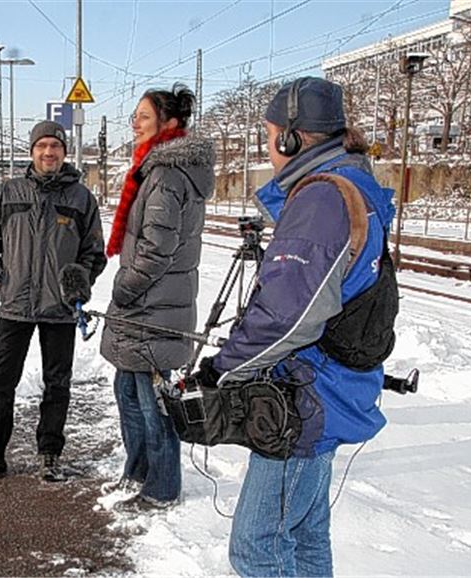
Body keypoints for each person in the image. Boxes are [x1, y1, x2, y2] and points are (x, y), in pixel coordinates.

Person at [189, 77, 398, 577]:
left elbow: (287, 315)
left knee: (257, 547)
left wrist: (223, 369)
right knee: (304, 536)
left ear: (289, 137)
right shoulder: (351, 183)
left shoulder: (322, 199)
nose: (268, 147)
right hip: (331, 388)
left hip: (307, 399)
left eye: (269, 135)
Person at [0, 120, 106, 483]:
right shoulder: (8, 193)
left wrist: (79, 283)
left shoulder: (80, 199)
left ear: (63, 152)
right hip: (14, 307)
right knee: (0, 383)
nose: (49, 152)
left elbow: (94, 251)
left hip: (59, 310)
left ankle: (49, 455)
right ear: (32, 152)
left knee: (57, 385)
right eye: (42, 146)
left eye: (55, 146)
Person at [99, 83, 215, 511]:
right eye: (134, 116)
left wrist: (123, 288)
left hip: (153, 307)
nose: (135, 124)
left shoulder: (165, 175)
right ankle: (138, 473)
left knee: (153, 405)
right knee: (129, 393)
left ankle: (162, 489)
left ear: (169, 123)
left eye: (143, 117)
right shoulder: (156, 169)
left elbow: (156, 249)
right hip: (150, 306)